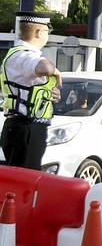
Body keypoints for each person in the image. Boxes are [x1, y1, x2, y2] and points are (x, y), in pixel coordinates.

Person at [0, 11, 61, 170]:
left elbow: (32, 89)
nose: (48, 34)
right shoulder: (24, 55)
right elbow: (45, 68)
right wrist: (55, 71)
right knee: (25, 183)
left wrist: (51, 94)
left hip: (24, 127)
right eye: (48, 31)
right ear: (39, 32)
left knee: (22, 181)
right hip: (26, 128)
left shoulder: (18, 54)